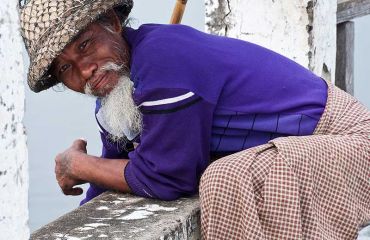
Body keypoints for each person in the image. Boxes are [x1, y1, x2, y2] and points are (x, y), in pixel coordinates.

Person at [20, 0, 369, 239]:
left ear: (113, 23)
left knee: (224, 179)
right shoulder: (118, 96)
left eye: (84, 46)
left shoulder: (163, 60)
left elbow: (167, 177)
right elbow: (113, 170)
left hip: (347, 142)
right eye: (65, 67)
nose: (84, 70)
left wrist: (77, 165)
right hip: (306, 147)